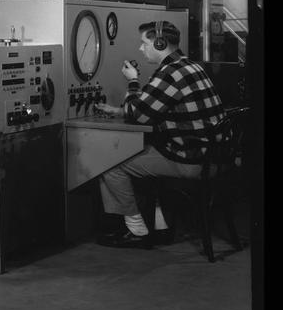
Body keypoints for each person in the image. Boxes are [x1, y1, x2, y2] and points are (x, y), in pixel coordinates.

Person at [91, 20, 224, 249]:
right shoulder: (190, 65)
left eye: (144, 43)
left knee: (109, 164)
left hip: (191, 161)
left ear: (160, 43)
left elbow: (138, 115)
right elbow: (159, 105)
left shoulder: (169, 73)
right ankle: (160, 226)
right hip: (214, 157)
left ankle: (137, 231)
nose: (141, 49)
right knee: (146, 152)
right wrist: (119, 110)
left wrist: (132, 81)